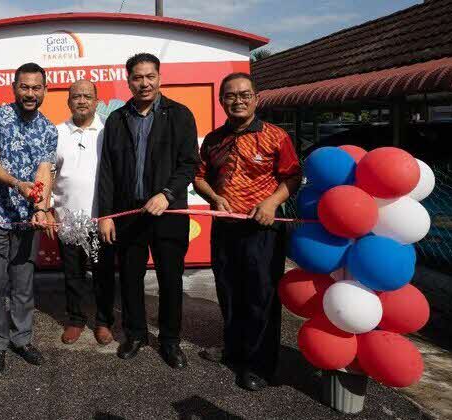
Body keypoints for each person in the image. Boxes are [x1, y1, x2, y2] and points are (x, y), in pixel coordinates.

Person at [193, 72, 301, 391]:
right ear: (221, 100)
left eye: (244, 95)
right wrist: (214, 198)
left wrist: (271, 203)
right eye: (230, 95)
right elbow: (199, 177)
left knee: (260, 296)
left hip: (262, 230)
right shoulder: (214, 140)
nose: (237, 101)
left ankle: (259, 365)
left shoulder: (275, 136)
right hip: (225, 228)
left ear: (256, 99)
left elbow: (293, 176)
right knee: (229, 292)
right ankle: (233, 350)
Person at [97, 53, 199, 369]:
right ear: (129, 81)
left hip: (169, 214)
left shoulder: (179, 115)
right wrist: (106, 215)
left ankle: (170, 340)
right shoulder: (117, 119)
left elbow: (189, 164)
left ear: (159, 77)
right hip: (129, 215)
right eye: (138, 77)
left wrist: (167, 195)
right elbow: (107, 170)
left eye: (150, 76)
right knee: (130, 278)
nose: (145, 83)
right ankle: (136, 334)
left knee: (170, 279)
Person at [0, 62, 57, 374]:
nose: (30, 93)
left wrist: (41, 208)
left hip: (26, 220)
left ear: (45, 90)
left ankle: (22, 339)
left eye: (36, 88)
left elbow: (44, 172)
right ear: (14, 88)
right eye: (25, 87)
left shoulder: (48, 129)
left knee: (23, 283)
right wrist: (17, 184)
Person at [48, 80, 116, 346]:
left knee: (102, 274)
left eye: (88, 96)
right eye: (76, 96)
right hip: (68, 221)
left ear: (96, 101)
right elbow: (48, 173)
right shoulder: (57, 133)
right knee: (73, 275)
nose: (82, 101)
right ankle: (76, 319)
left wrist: (110, 215)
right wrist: (49, 208)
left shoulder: (108, 131)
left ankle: (103, 321)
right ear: (68, 101)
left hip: (100, 221)